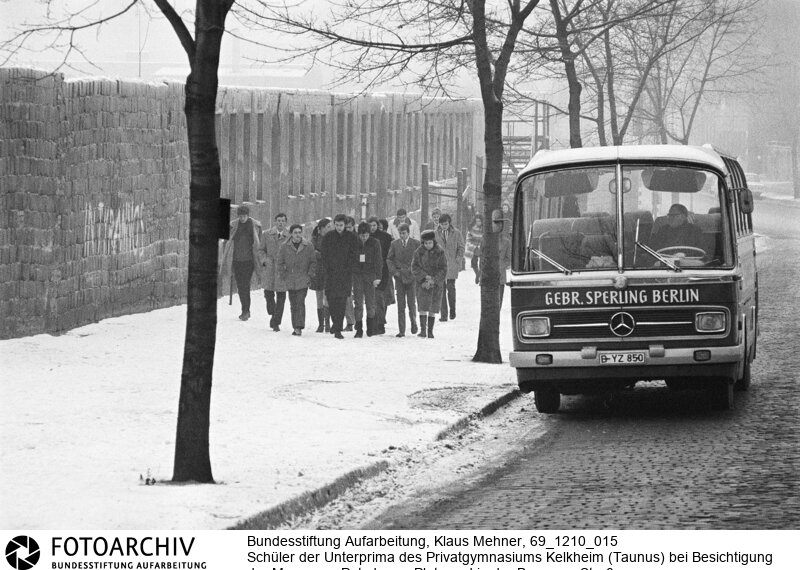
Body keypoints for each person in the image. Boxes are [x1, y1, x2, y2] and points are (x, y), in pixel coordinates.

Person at [219, 205, 263, 321]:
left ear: (248, 215)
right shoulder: (233, 225)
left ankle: (245, 311)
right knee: (240, 286)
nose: (242, 218)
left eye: (244, 216)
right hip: (236, 260)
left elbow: (260, 243)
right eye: (240, 216)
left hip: (249, 260)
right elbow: (226, 241)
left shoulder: (255, 226)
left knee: (245, 285)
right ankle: (245, 310)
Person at [321, 214, 359, 339]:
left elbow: (355, 254)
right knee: (332, 301)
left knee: (342, 301)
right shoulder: (328, 237)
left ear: (345, 225)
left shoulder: (351, 237)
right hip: (331, 274)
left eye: (341, 225)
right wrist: (327, 268)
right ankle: (335, 323)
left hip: (345, 275)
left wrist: (350, 268)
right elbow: (324, 254)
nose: (339, 228)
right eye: (336, 225)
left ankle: (338, 328)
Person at [277, 224, 317, 336]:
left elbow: (313, 262)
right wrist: (283, 275)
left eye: (299, 232)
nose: (298, 235)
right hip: (290, 279)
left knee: (300, 302)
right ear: (291, 234)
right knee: (293, 303)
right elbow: (280, 262)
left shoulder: (308, 246)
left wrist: (310, 274)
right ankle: (295, 326)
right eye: (295, 232)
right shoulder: (284, 246)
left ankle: (299, 326)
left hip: (303, 279)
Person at [412, 229, 447, 338]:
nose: (428, 245)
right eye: (426, 243)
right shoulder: (418, 252)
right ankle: (423, 330)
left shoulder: (440, 252)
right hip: (422, 283)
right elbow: (415, 267)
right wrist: (424, 277)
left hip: (435, 284)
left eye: (430, 243)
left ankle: (430, 331)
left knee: (432, 306)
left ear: (433, 242)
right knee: (422, 305)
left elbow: (443, 268)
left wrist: (434, 279)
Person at [386, 223, 420, 337]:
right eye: (400, 233)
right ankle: (401, 330)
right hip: (399, 277)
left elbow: (421, 259)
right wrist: (394, 272)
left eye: (404, 233)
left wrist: (416, 271)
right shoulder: (394, 244)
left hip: (411, 277)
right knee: (401, 304)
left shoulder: (416, 244)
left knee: (411, 303)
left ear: (408, 233)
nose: (402, 235)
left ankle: (414, 322)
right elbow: (389, 259)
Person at [352, 221, 383, 337]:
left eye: (366, 235)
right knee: (358, 303)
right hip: (358, 276)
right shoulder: (354, 243)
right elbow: (351, 259)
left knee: (371, 303)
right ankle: (359, 329)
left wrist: (378, 277)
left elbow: (379, 261)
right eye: (362, 235)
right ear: (358, 235)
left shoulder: (375, 243)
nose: (364, 238)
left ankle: (370, 328)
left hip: (370, 276)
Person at [260, 212, 289, 331]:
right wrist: (264, 260)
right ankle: (272, 311)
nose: (280, 223)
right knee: (269, 293)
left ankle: (276, 321)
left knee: (281, 295)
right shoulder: (267, 234)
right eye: (278, 220)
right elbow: (261, 250)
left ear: (285, 223)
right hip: (270, 267)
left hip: (283, 268)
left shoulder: (289, 236)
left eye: (283, 221)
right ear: (275, 222)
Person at [471, 223, 512, 306]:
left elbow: (509, 258)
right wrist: (480, 272)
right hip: (487, 274)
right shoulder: (484, 240)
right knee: (488, 301)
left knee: (498, 301)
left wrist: (501, 265)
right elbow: (480, 255)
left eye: (498, 227)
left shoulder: (506, 242)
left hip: (500, 275)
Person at [435, 213, 465, 321]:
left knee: (451, 288)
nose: (444, 226)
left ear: (449, 223)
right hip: (439, 265)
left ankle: (452, 309)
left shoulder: (456, 233)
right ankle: (443, 314)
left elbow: (461, 247)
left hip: (452, 264)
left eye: (446, 224)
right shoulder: (435, 233)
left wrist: (458, 260)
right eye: (442, 224)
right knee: (441, 289)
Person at [368, 216, 393, 335]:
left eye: (374, 225)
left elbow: (390, 254)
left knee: (380, 298)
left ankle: (380, 324)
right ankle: (373, 324)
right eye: (370, 225)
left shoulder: (386, 238)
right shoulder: (365, 236)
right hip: (369, 271)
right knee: (372, 299)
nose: (372, 228)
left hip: (384, 270)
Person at [310, 218, 331, 333]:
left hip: (328, 269)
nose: (330, 229)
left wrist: (321, 254)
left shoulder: (332, 238)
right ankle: (320, 324)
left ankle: (327, 323)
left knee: (326, 296)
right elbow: (311, 251)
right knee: (319, 295)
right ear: (321, 228)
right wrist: (321, 254)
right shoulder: (314, 239)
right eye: (328, 227)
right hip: (318, 269)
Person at [343, 216, 357, 331]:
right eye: (346, 227)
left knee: (358, 298)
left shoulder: (358, 238)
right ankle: (350, 321)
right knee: (347, 297)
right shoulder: (340, 239)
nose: (348, 229)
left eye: (350, 227)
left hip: (357, 271)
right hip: (344, 272)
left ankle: (359, 321)